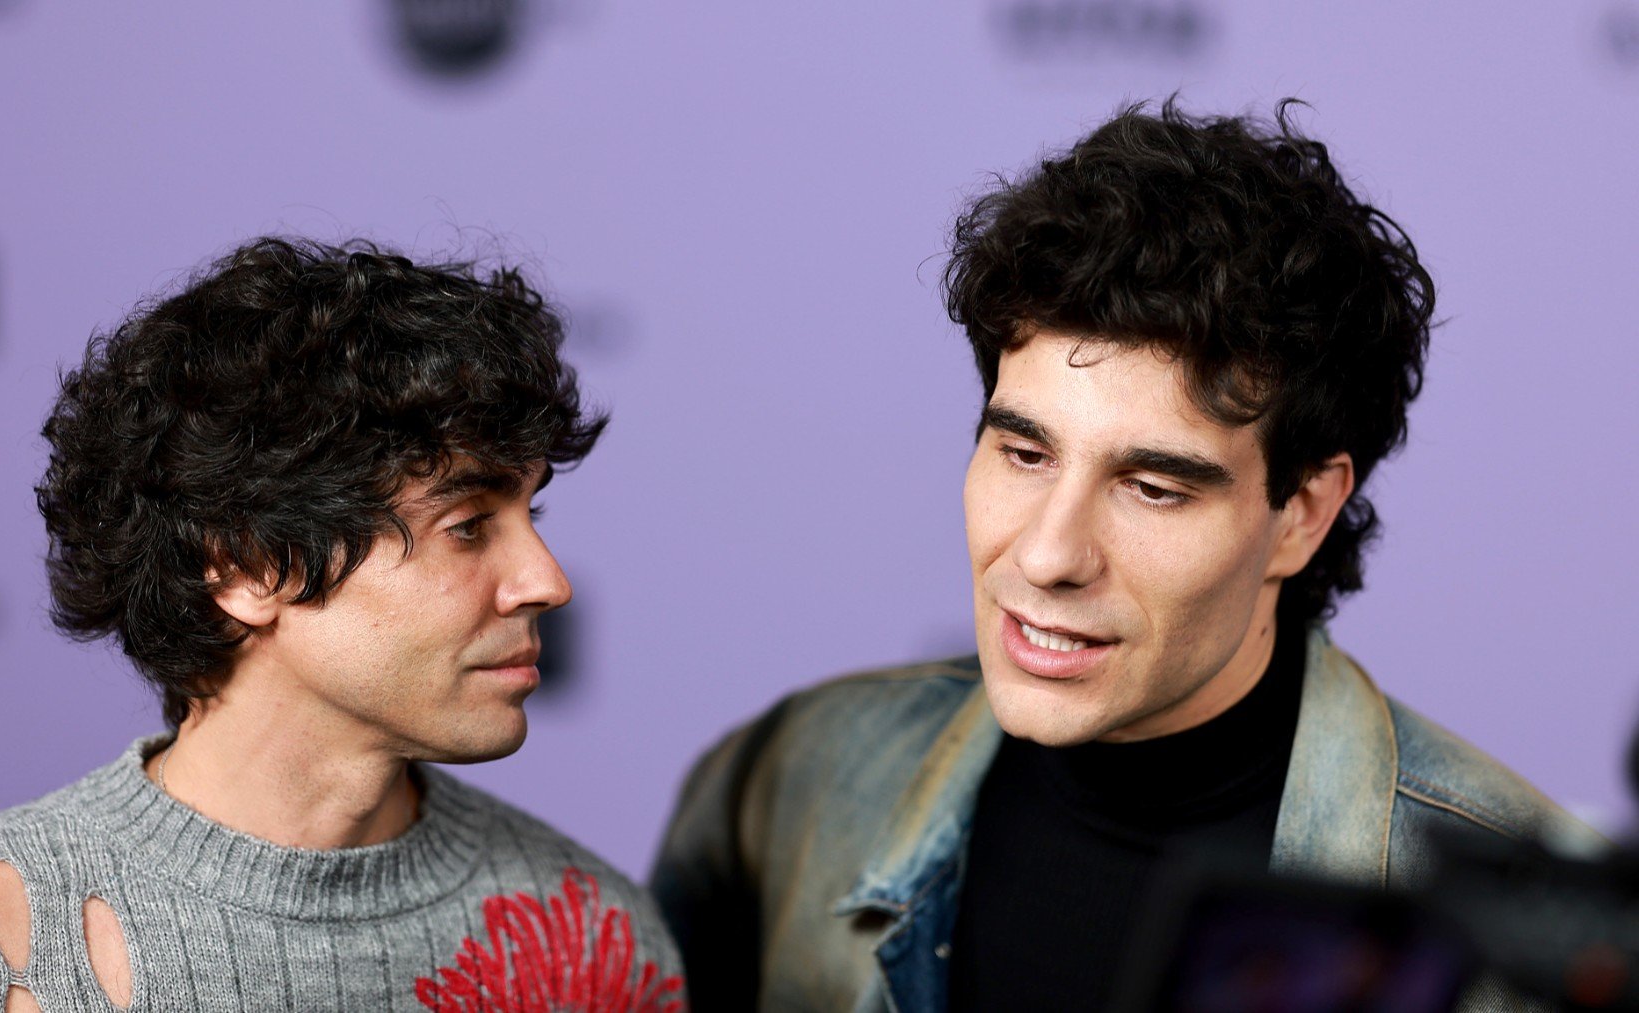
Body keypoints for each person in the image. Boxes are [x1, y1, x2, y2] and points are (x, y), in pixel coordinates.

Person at [650, 101, 1601, 1012]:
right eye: (1025, 453)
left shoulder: (1517, 937)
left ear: (1302, 513)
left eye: (1152, 487)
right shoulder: (793, 776)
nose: (1048, 553)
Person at [0, 238, 684, 1012]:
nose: (547, 581)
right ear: (245, 567)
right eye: (468, 526)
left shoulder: (594, 936)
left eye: (532, 513)